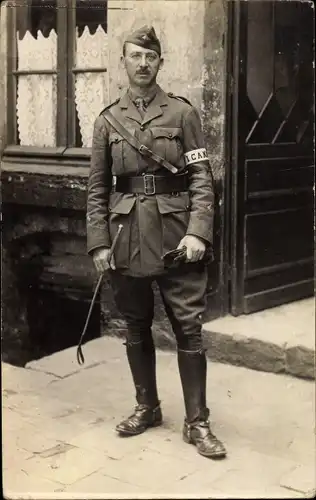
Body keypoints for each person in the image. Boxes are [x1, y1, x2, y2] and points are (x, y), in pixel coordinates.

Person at [86, 25, 227, 459]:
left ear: (159, 62)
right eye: (135, 56)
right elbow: (96, 188)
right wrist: (99, 244)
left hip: (176, 237)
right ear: (124, 62)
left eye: (150, 57)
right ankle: (146, 407)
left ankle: (197, 422)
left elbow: (202, 178)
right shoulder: (106, 120)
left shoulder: (183, 114)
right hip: (126, 237)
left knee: (188, 326)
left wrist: (198, 231)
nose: (143, 64)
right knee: (134, 325)